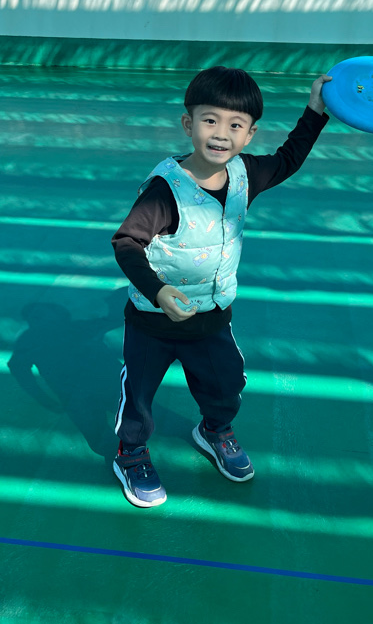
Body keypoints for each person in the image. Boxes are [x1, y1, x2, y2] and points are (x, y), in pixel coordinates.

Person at [110, 66, 331, 508]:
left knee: (226, 384)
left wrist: (316, 110)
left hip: (212, 317)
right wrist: (157, 292)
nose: (221, 134)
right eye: (210, 120)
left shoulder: (247, 175)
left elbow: (289, 158)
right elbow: (127, 242)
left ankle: (214, 430)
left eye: (235, 125)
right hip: (154, 322)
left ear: (250, 134)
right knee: (139, 395)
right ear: (188, 123)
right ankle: (130, 453)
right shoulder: (165, 191)